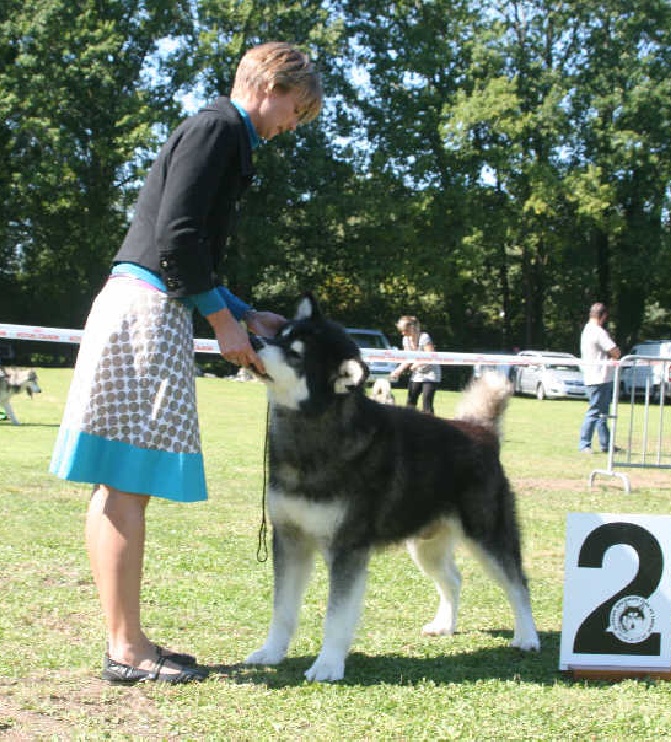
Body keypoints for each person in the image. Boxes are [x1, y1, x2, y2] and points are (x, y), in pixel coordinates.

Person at [49, 42, 322, 684]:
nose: (291, 124)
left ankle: (127, 639)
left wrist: (246, 311)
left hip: (143, 303)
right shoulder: (221, 128)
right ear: (269, 85)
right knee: (126, 482)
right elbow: (174, 241)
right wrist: (223, 323)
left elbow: (182, 244)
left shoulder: (219, 131)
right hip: (146, 311)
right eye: (295, 109)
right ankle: (127, 649)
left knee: (119, 480)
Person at [578, 302, 621, 454]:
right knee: (595, 412)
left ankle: (606, 444)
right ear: (603, 316)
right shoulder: (598, 332)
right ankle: (584, 444)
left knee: (602, 413)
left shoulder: (586, 330)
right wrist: (616, 354)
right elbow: (614, 351)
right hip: (600, 377)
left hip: (592, 376)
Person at [389, 315, 441, 413]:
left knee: (427, 402)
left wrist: (418, 363)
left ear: (413, 328)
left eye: (405, 330)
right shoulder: (405, 340)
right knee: (410, 401)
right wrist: (398, 370)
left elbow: (430, 356)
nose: (403, 333)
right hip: (417, 374)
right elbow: (408, 358)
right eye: (402, 331)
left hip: (431, 374)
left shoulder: (424, 337)